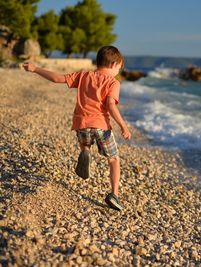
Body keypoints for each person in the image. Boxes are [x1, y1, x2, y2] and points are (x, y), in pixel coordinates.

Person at [23, 45, 131, 211]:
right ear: (113, 64)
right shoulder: (113, 83)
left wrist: (35, 68)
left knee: (85, 142)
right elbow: (110, 105)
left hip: (81, 124)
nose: (119, 70)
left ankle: (86, 151)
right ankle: (114, 194)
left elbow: (57, 78)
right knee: (113, 159)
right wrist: (123, 125)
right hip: (101, 126)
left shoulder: (83, 75)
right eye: (119, 67)